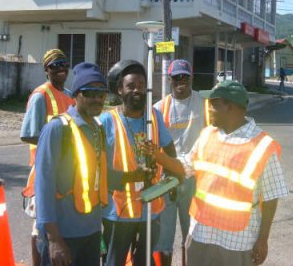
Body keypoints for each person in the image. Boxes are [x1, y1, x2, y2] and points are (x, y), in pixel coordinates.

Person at [180, 80, 288, 266]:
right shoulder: (207, 135)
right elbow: (186, 166)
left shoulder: (263, 146)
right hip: (201, 233)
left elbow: (271, 197)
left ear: (229, 107)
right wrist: (158, 157)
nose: (208, 108)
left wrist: (263, 240)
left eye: (213, 104)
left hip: (237, 242)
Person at [100, 60, 185, 266]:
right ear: (120, 90)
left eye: (141, 85)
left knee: (145, 261)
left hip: (150, 208)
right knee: (114, 261)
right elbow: (98, 167)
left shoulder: (154, 116)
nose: (137, 90)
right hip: (118, 211)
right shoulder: (106, 121)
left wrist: (171, 177)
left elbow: (169, 149)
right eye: (131, 86)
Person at [34, 62, 109, 266]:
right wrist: (54, 239)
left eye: (101, 94)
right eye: (90, 92)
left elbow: (101, 177)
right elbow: (43, 186)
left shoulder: (98, 129)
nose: (97, 98)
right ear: (76, 94)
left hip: (91, 232)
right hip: (63, 235)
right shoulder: (58, 129)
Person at [20, 49, 75, 266]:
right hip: (44, 170)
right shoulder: (40, 96)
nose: (61, 68)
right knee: (41, 226)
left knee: (60, 222)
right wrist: (55, 144)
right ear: (46, 70)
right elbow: (28, 134)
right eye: (55, 65)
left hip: (67, 171)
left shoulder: (70, 94)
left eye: (64, 63)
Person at [153, 59, 210, 266]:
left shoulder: (204, 105)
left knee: (192, 236)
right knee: (162, 239)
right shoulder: (158, 108)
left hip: (194, 180)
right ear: (170, 80)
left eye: (185, 76)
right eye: (177, 77)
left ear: (191, 77)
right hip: (167, 180)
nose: (181, 81)